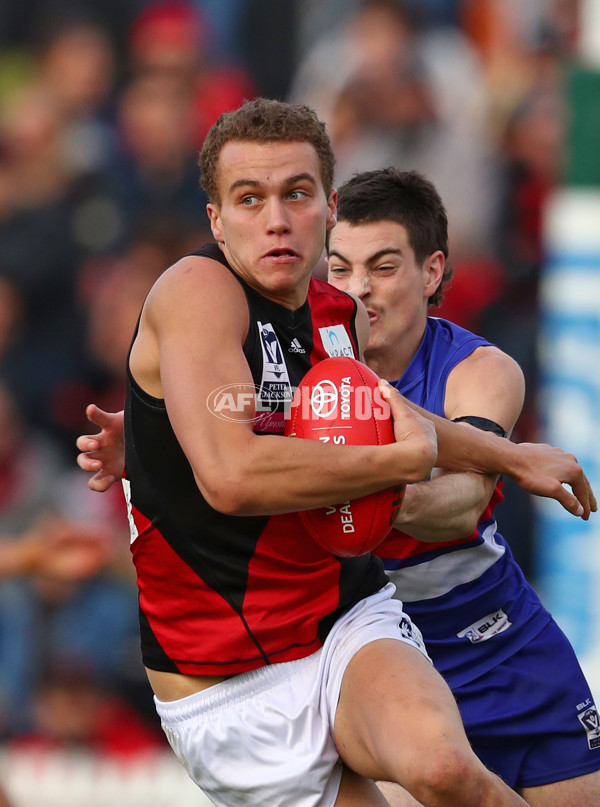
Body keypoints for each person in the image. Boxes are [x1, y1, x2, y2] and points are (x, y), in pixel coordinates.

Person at [74, 98, 595, 807]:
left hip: (345, 623)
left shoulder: (339, 315)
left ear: (327, 204)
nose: (277, 218)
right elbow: (232, 477)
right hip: (224, 687)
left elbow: (387, 417)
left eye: (297, 193)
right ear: (216, 221)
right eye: (249, 198)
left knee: (444, 770)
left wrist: (513, 457)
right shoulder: (195, 291)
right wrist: (397, 464)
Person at [324, 167, 600, 806]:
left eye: (383, 267)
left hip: (500, 644)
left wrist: (346, 500)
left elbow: (463, 504)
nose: (359, 290)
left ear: (431, 272)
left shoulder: (480, 369)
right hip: (370, 659)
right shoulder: (302, 371)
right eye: (339, 269)